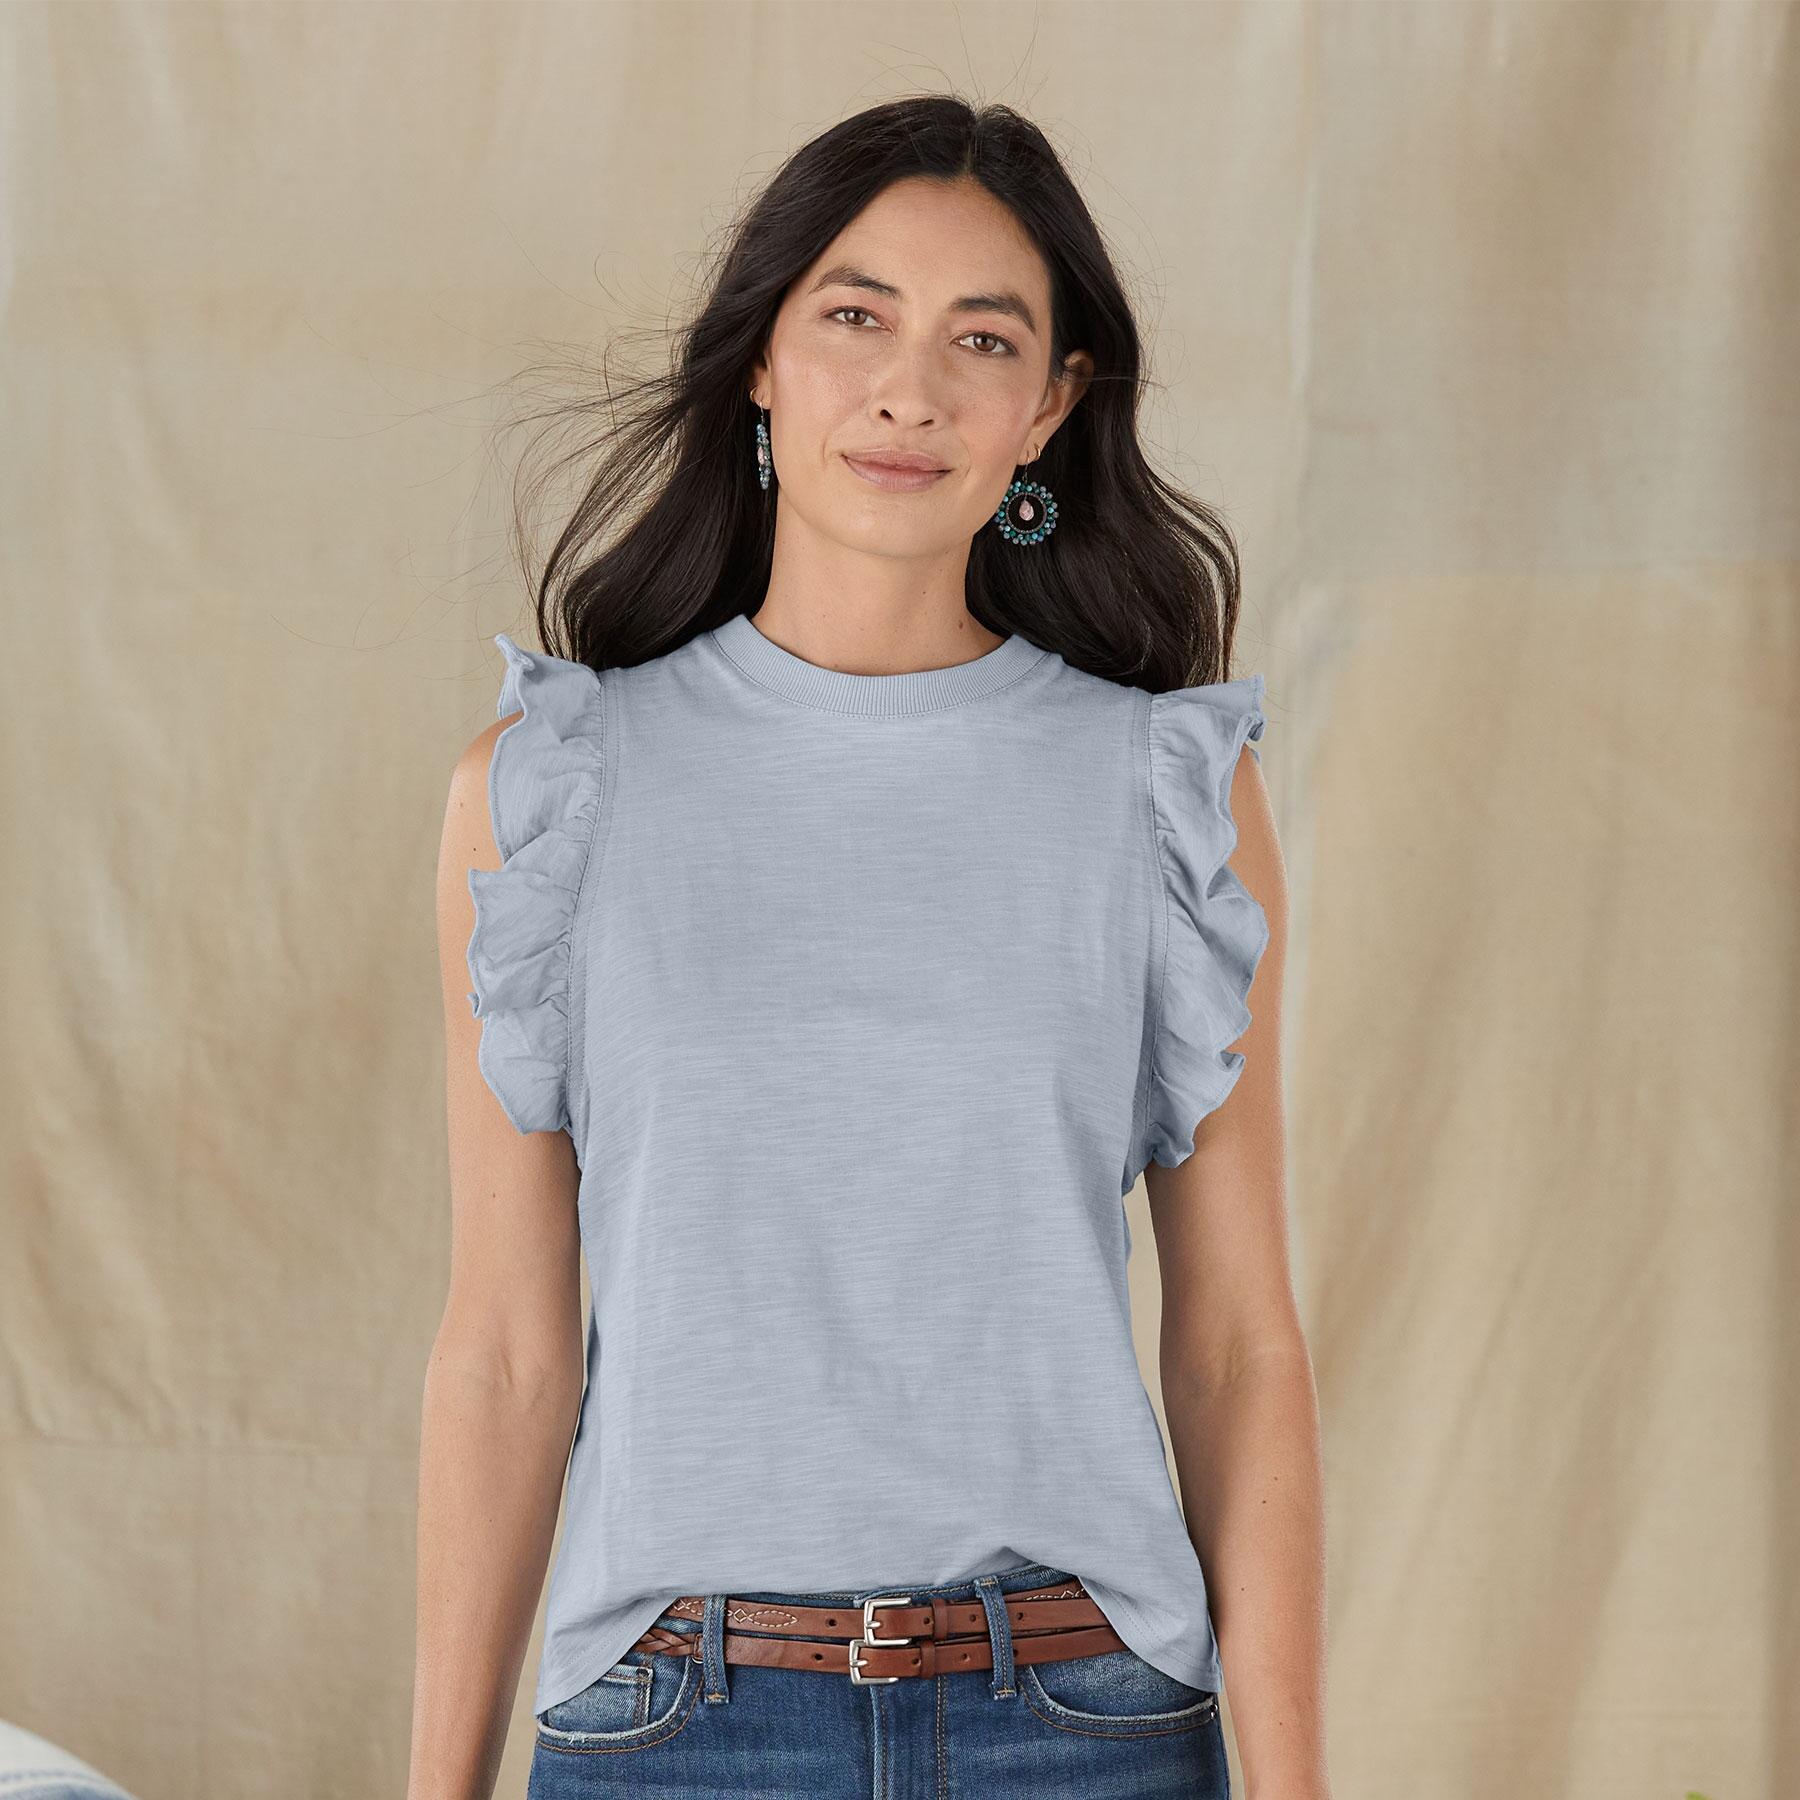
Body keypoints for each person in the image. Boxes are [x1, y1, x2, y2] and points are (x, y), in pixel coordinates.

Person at [410, 94, 1329, 1800]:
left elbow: (1235, 1346)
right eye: (856, 316)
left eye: (983, 339)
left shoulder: (1167, 795)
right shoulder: (549, 792)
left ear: (1051, 407)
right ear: (760, 361)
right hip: (674, 1729)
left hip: (1087, 1728)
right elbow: (505, 1356)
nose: (912, 389)